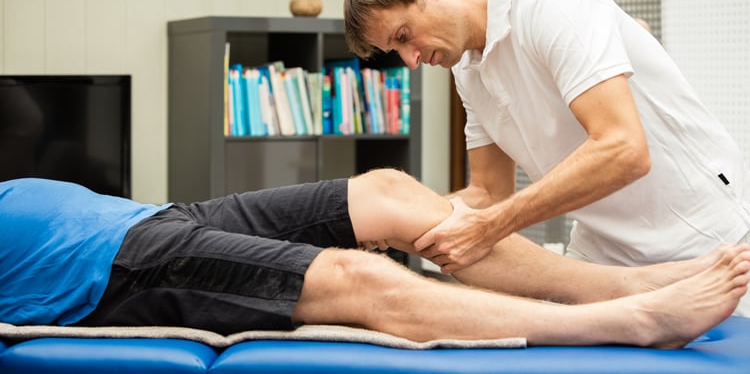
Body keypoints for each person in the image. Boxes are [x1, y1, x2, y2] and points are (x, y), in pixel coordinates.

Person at [343, 0, 750, 315]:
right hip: (602, 252)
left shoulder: (552, 5)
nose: (411, 61)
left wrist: (490, 227)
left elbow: (624, 150)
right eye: (396, 51)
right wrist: (391, 220)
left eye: (403, 36)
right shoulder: (466, 71)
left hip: (704, 235)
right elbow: (489, 192)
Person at [1, 172, 749, 348]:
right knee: (359, 277)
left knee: (387, 191)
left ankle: (623, 279)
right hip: (119, 270)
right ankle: (632, 318)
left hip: (152, 216)